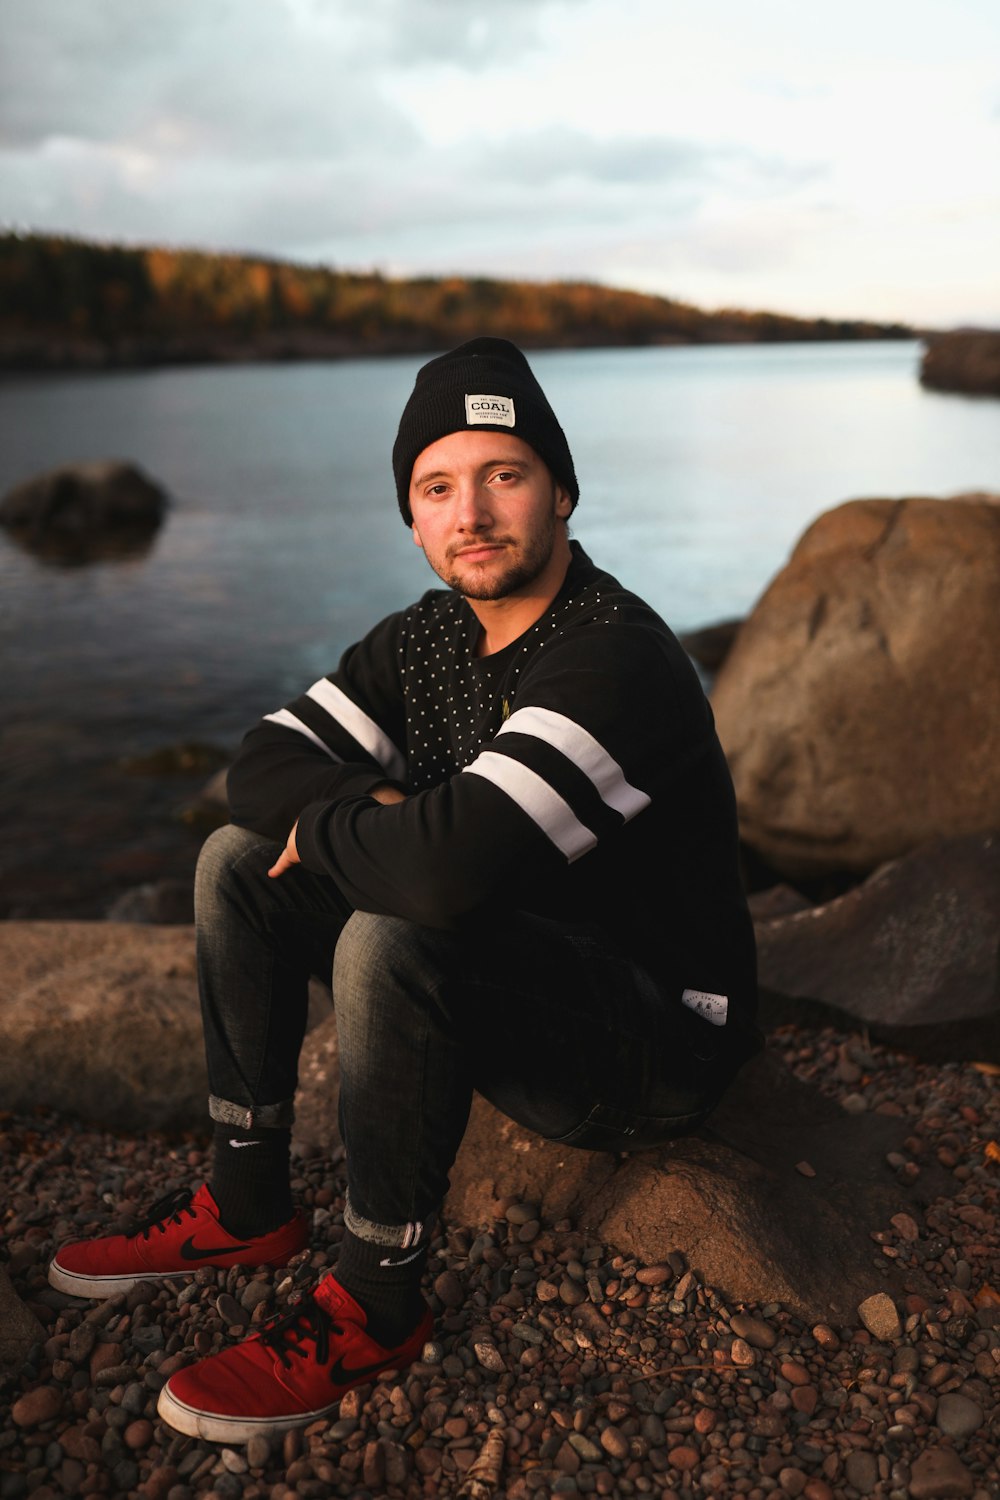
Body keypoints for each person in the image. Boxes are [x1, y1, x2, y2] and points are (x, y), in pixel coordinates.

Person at [48, 338, 760, 1443]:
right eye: (438, 488)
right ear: (412, 517)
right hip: (518, 965)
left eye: (503, 475)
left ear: (561, 492)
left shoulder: (614, 658)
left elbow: (438, 873)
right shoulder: (425, 643)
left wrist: (360, 829)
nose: (469, 512)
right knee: (235, 861)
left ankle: (377, 1300)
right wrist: (370, 822)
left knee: (394, 930)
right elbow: (260, 764)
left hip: (654, 1036)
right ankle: (246, 1205)